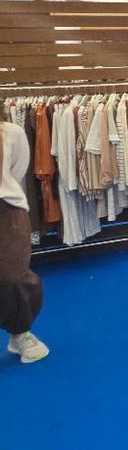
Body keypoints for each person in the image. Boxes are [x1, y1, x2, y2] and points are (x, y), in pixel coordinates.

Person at [0, 103, 49, 363]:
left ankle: (20, 331)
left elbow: (16, 170)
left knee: (12, 276)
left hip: (6, 210)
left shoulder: (11, 132)